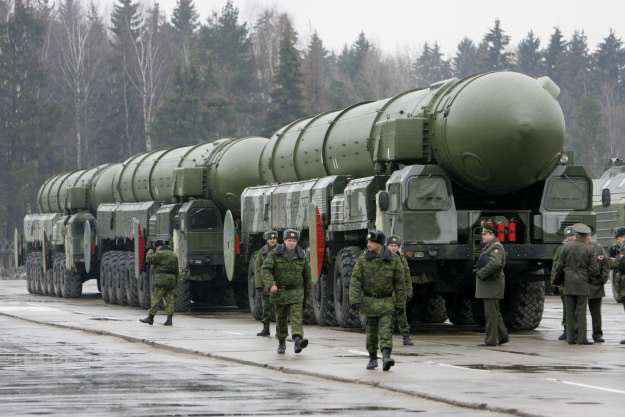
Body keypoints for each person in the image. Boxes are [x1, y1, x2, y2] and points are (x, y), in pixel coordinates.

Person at [349, 230, 406, 371]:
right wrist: (354, 300)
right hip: (369, 302)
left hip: (386, 301)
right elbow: (355, 280)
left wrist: (400, 303)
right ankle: (373, 358)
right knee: (371, 333)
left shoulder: (393, 259)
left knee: (386, 330)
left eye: (371, 242)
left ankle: (386, 357)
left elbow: (400, 283)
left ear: (379, 244)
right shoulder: (363, 259)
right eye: (368, 242)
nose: (368, 244)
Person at [262, 229, 311, 354]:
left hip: (296, 292)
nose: (291, 243)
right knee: (281, 319)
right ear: (284, 241)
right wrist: (271, 284)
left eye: (294, 241)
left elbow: (307, 277)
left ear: (297, 242)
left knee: (296, 317)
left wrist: (307, 296)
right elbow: (266, 269)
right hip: (280, 292)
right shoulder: (275, 253)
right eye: (289, 240)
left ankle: (298, 340)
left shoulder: (301, 255)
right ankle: (281, 341)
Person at [552, 223, 598, 345]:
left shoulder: (566, 247)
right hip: (582, 283)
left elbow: (559, 266)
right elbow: (594, 269)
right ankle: (582, 339)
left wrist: (557, 280)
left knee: (569, 311)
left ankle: (570, 338)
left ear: (576, 234)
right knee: (581, 311)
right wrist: (587, 277)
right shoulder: (590, 248)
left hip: (568, 283)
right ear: (586, 235)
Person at [474, 221, 508, 346]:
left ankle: (491, 340)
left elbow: (495, 264)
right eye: (482, 233)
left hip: (491, 285)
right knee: (495, 313)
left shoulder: (496, 247)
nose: (482, 236)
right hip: (489, 285)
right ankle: (503, 336)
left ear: (492, 234)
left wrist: (481, 273)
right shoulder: (490, 246)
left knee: (491, 314)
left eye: (485, 234)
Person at [140, 242, 179, 326]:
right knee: (169, 300)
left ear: (158, 247)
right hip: (171, 280)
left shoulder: (160, 254)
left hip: (161, 280)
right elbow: (177, 270)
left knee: (156, 299)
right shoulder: (174, 255)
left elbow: (148, 259)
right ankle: (169, 320)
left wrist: (150, 250)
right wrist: (175, 281)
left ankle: (150, 318)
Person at [387, 235, 413, 346]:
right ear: (387, 246)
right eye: (391, 245)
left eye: (396, 246)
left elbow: (407, 276)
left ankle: (406, 337)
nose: (393, 248)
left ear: (398, 247)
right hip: (388, 293)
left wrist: (409, 290)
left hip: (400, 292)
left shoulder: (402, 259)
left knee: (402, 315)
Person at [551, 227, 576, 341]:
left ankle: (577, 330)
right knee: (566, 307)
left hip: (576, 283)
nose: (570, 238)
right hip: (564, 283)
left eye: (572, 236)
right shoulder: (561, 249)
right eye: (568, 236)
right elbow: (555, 266)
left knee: (578, 308)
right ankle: (567, 330)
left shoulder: (580, 247)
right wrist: (554, 282)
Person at [586, 233, 609, 343]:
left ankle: (597, 334)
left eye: (588, 235)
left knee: (596, 313)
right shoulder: (579, 247)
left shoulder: (598, 248)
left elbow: (605, 264)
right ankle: (579, 334)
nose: (587, 238)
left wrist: (602, 280)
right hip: (582, 285)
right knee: (579, 313)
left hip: (596, 286)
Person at [255, 230, 278, 337]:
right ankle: (266, 329)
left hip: (278, 285)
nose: (272, 240)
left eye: (274, 238)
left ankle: (280, 330)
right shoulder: (262, 252)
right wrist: (258, 285)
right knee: (266, 309)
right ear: (267, 240)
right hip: (266, 286)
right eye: (270, 239)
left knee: (279, 309)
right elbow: (258, 269)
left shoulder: (281, 250)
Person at [606, 227, 625, 344]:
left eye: (618, 237)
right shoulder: (617, 247)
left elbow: (620, 263)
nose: (617, 240)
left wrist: (610, 261)